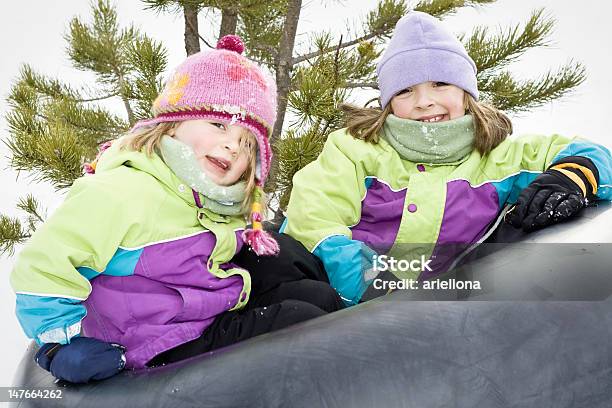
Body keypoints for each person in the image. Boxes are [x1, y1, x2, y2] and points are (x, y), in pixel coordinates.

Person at [10, 35, 342, 384]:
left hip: (199, 317)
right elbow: (42, 267)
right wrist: (59, 346)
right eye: (218, 124)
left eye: (247, 144)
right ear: (175, 121)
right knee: (298, 319)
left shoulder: (209, 198)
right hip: (150, 344)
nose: (231, 144)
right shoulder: (121, 192)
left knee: (314, 295)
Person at [276, 11, 612, 306]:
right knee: (284, 262)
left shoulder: (499, 158)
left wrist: (571, 176)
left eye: (440, 83)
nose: (424, 101)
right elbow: (313, 219)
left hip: (448, 313)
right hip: (345, 305)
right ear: (389, 103)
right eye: (405, 90)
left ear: (466, 93)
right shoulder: (355, 150)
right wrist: (371, 283)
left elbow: (590, 153)